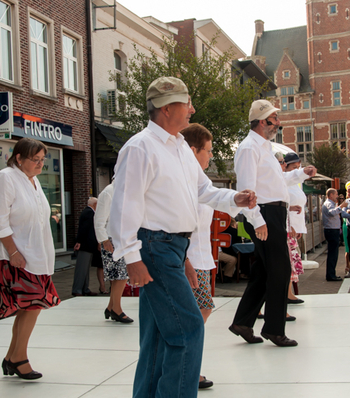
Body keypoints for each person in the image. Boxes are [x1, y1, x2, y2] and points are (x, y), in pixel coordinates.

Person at [108, 76, 257, 398]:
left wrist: (235, 199)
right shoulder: (140, 147)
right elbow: (124, 206)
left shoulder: (178, 146)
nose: (192, 108)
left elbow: (202, 190)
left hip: (170, 248)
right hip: (154, 248)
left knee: (159, 337)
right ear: (165, 108)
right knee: (189, 330)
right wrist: (132, 258)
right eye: (186, 102)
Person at [230, 99, 316, 349]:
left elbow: (276, 181)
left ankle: (243, 322)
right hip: (265, 214)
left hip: (272, 213)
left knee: (265, 271)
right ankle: (274, 329)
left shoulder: (264, 147)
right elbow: (246, 189)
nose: (278, 123)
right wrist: (257, 220)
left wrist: (301, 174)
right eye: (274, 118)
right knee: (279, 271)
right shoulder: (249, 148)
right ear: (261, 121)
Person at [0, 137, 60, 380]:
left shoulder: (34, 181)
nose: (40, 164)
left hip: (36, 255)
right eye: (35, 159)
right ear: (18, 158)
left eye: (43, 160)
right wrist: (14, 252)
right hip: (17, 255)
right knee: (32, 306)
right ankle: (18, 358)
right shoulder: (6, 177)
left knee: (30, 308)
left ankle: (12, 357)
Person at [182, 123, 246, 389]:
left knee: (200, 310)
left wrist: (238, 199)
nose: (211, 156)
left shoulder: (199, 179)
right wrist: (184, 259)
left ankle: (186, 366)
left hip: (200, 259)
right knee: (196, 313)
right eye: (207, 151)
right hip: (188, 260)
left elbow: (214, 197)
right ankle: (185, 368)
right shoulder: (184, 178)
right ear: (193, 150)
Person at [94, 181, 132, 323]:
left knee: (121, 275)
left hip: (122, 239)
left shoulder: (125, 192)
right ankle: (116, 309)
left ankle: (111, 307)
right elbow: (99, 219)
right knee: (120, 275)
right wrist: (103, 240)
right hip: (111, 239)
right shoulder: (109, 192)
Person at [283, 152, 306, 304]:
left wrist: (299, 228)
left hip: (293, 228)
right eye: (294, 167)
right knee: (287, 261)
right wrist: (289, 226)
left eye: (299, 167)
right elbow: (280, 204)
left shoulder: (295, 184)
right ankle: (287, 293)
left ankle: (289, 292)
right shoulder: (283, 182)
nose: (297, 170)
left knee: (291, 260)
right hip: (286, 227)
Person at [72, 197, 104, 297]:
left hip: (88, 246)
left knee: (85, 269)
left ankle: (84, 289)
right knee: (81, 269)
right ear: (95, 204)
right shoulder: (89, 213)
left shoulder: (89, 213)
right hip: (85, 245)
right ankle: (77, 289)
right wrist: (79, 241)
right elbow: (83, 229)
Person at [322, 188, 343, 281]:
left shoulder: (331, 204)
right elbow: (331, 213)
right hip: (331, 230)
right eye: (336, 194)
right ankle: (331, 275)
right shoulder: (329, 204)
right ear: (331, 195)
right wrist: (341, 207)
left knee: (333, 253)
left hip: (332, 230)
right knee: (333, 253)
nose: (337, 196)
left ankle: (331, 273)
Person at [218, 218, 240, 282]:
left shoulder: (220, 231)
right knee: (233, 259)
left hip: (219, 251)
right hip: (217, 252)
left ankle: (223, 271)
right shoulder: (234, 231)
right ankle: (227, 275)